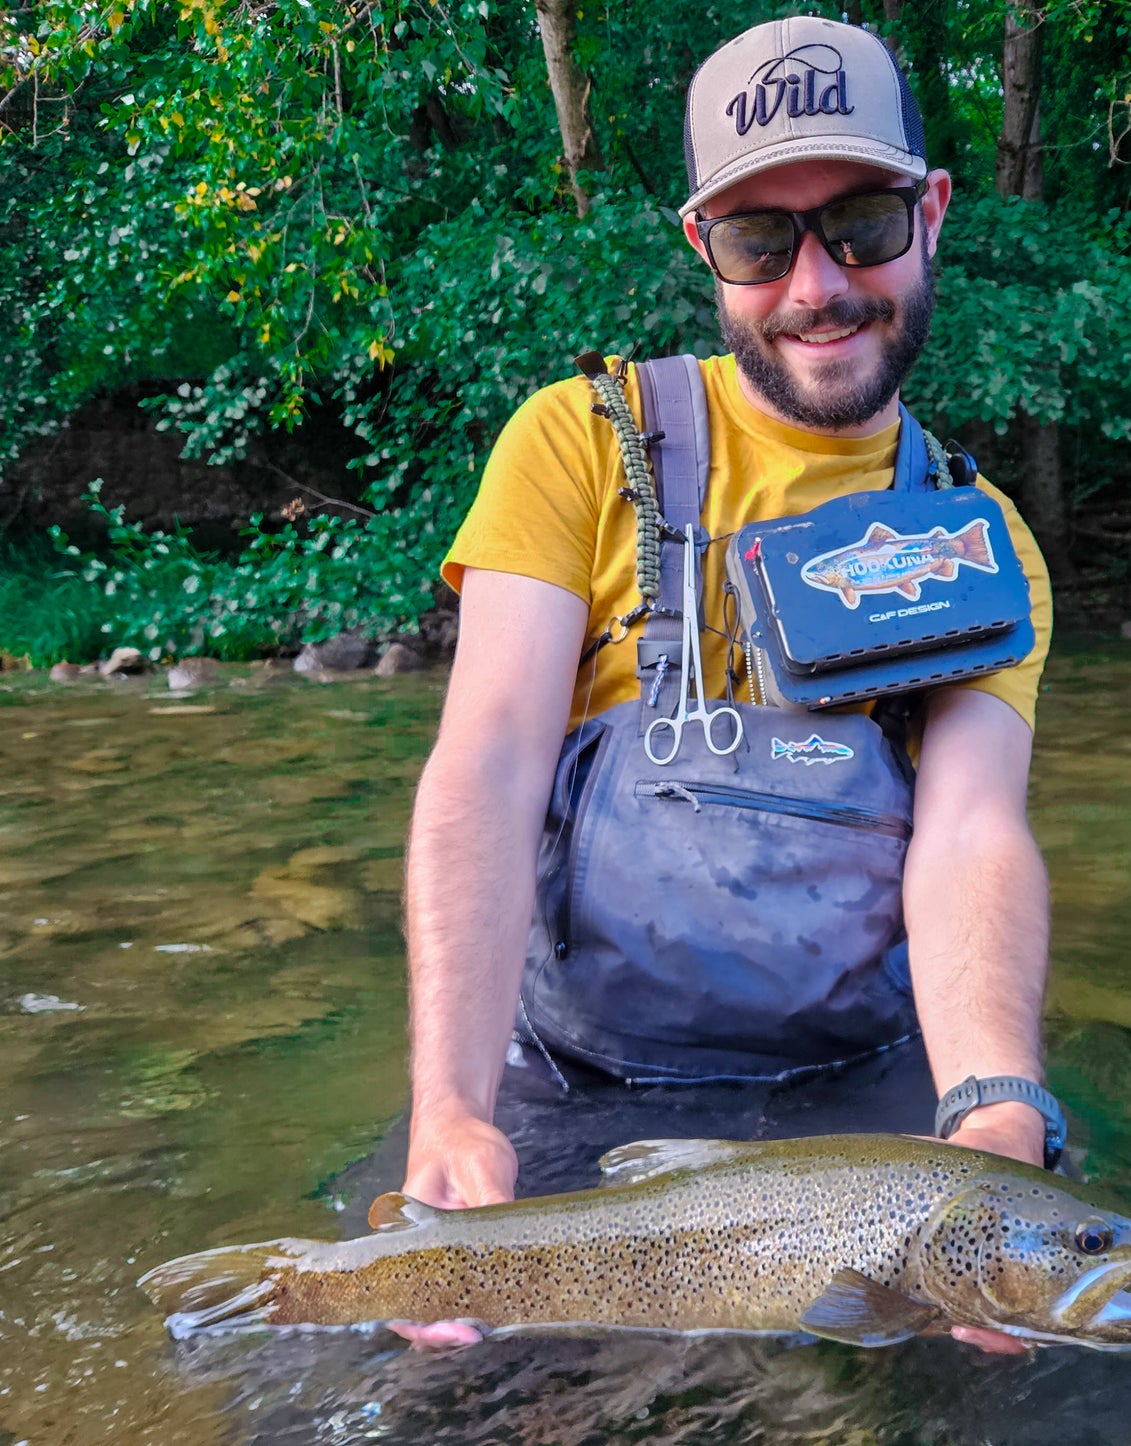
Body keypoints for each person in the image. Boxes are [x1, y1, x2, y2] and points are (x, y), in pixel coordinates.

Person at [398, 17, 1054, 1352]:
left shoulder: (985, 546)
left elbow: (971, 834)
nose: (818, 281)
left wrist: (993, 1100)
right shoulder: (576, 443)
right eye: (763, 240)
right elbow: (490, 761)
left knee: (1087, 1368)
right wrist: (451, 1107)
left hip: (858, 1098)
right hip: (573, 1082)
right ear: (705, 248)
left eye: (861, 221)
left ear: (930, 212)